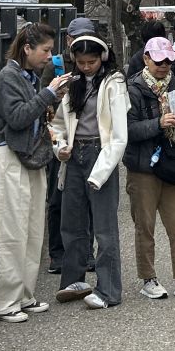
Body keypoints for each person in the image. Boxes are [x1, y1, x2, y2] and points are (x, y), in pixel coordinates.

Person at [0, 23, 65, 322]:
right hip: (10, 157)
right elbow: (18, 117)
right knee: (9, 232)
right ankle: (4, 302)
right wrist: (48, 93)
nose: (49, 56)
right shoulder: (7, 78)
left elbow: (31, 113)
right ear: (27, 49)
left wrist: (49, 96)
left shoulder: (26, 77)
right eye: (45, 50)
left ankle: (23, 295)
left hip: (29, 157)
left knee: (32, 231)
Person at [125, 36, 175, 300]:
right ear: (146, 59)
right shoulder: (133, 88)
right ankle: (148, 278)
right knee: (144, 226)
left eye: (169, 61)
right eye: (159, 60)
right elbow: (127, 130)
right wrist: (159, 123)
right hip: (142, 166)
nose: (164, 66)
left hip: (171, 162)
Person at [53, 31, 129, 310]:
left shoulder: (114, 82)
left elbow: (119, 135)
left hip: (101, 152)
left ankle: (109, 290)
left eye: (92, 62)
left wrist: (101, 173)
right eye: (82, 62)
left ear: (103, 58)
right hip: (74, 155)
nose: (87, 67)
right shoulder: (71, 83)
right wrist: (59, 147)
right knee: (71, 223)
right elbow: (58, 124)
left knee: (105, 227)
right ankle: (74, 281)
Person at [43, 15, 98, 275]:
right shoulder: (55, 65)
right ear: (68, 40)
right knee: (57, 199)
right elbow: (41, 100)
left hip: (89, 139)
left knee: (89, 200)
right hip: (60, 138)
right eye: (77, 39)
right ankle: (58, 254)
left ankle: (86, 253)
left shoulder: (100, 65)